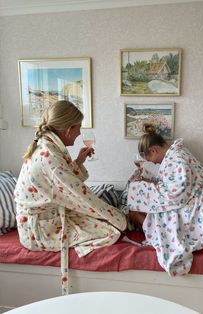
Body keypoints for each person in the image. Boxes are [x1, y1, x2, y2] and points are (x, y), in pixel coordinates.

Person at [14, 100, 127, 294]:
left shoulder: (48, 145)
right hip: (38, 230)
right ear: (67, 129)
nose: (79, 134)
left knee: (105, 218)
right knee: (112, 230)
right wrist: (119, 218)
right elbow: (82, 197)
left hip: (47, 217)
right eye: (78, 128)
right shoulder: (49, 156)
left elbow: (61, 184)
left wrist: (79, 161)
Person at [127, 123, 203, 276]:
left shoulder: (176, 158)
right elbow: (175, 183)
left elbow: (177, 191)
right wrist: (153, 182)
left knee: (139, 193)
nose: (154, 163)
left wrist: (150, 187)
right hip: (190, 198)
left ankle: (143, 224)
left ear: (153, 150)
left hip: (196, 206)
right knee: (140, 191)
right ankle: (142, 222)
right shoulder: (176, 154)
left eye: (151, 159)